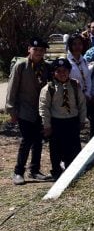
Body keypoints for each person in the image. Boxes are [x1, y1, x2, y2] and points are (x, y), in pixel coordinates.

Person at [7, 38, 51, 185]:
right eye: (35, 49)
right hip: (25, 110)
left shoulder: (45, 67)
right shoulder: (21, 66)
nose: (38, 53)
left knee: (38, 140)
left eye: (41, 50)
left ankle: (35, 170)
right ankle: (18, 172)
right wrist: (11, 110)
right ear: (29, 49)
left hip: (40, 109)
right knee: (27, 140)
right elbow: (12, 89)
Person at [39, 58, 87, 180]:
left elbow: (81, 104)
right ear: (53, 73)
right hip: (57, 122)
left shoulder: (75, 86)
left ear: (69, 71)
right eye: (58, 71)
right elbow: (44, 108)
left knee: (73, 147)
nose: (62, 73)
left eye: (65, 70)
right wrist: (47, 125)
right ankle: (56, 171)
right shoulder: (49, 88)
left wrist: (82, 120)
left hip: (72, 121)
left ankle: (72, 170)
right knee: (56, 149)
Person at [66, 34, 92, 99]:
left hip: (85, 97)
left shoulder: (84, 61)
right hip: (71, 97)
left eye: (80, 44)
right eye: (74, 44)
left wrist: (87, 94)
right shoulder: (66, 61)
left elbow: (88, 79)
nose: (77, 46)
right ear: (70, 46)